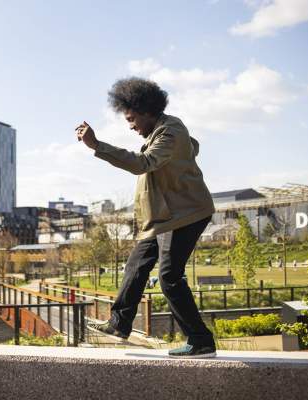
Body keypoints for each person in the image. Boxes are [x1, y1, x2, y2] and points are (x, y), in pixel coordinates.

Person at [76, 77, 216, 358]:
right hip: (162, 219)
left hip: (186, 214)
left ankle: (200, 340)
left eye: (132, 118)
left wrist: (97, 145)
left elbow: (144, 164)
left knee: (169, 277)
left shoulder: (170, 130)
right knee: (136, 265)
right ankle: (119, 323)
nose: (130, 125)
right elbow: (188, 149)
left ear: (147, 110)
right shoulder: (161, 134)